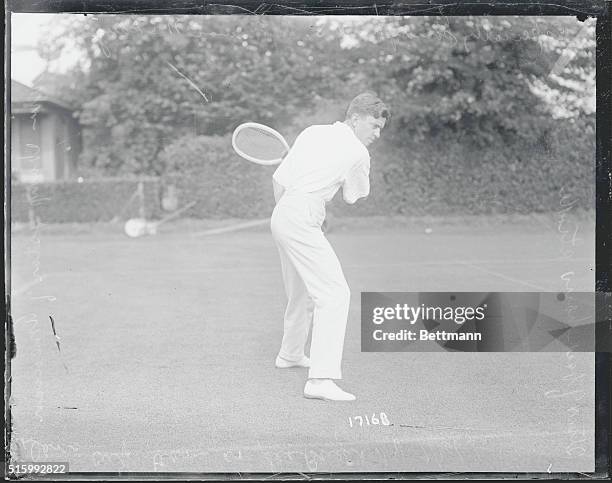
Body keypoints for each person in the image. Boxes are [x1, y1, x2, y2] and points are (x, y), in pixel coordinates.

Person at [270, 92, 389, 401]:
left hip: (283, 212)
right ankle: (320, 381)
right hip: (300, 216)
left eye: (380, 129)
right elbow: (354, 195)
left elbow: (278, 181)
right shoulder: (358, 153)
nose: (376, 134)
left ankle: (290, 354)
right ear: (355, 118)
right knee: (335, 294)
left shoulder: (312, 132)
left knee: (302, 291)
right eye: (374, 125)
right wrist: (304, 217)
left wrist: (290, 217)